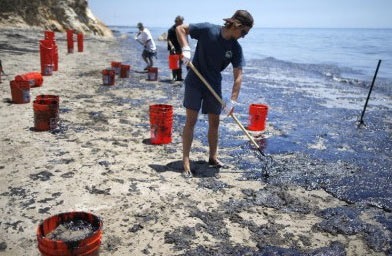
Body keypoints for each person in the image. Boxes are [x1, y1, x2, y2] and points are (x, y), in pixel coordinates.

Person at [176, 10, 254, 177]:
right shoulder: (208, 29)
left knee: (215, 123)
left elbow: (238, 75)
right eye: (244, 32)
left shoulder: (235, 48)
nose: (245, 36)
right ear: (236, 25)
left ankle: (212, 157)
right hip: (195, 81)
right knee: (191, 121)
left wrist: (232, 101)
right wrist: (185, 49)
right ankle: (186, 159)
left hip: (214, 85)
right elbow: (181, 29)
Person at [167, 15, 184, 82]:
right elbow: (168, 39)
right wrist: (172, 46)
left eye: (182, 22)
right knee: (174, 63)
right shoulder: (171, 29)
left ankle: (179, 77)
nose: (182, 23)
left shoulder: (181, 28)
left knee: (180, 63)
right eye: (181, 22)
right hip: (173, 48)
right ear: (177, 21)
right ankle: (174, 77)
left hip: (180, 48)